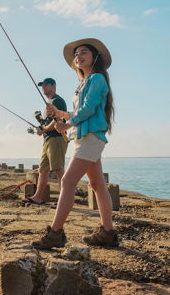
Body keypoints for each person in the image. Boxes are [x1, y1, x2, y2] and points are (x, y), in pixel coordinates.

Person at [32, 38, 119, 248]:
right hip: (86, 137)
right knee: (98, 185)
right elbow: (77, 113)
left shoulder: (97, 78)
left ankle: (55, 233)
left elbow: (87, 110)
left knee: (67, 182)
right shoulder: (82, 84)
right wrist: (59, 114)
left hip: (90, 138)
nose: (78, 57)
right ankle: (108, 232)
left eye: (83, 53)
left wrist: (67, 124)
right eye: (76, 55)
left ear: (94, 58)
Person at [23, 78, 67, 205]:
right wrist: (41, 129)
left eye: (46, 85)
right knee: (43, 170)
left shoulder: (57, 101)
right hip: (48, 139)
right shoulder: (49, 103)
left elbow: (59, 120)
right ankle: (37, 197)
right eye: (42, 85)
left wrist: (44, 130)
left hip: (57, 139)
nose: (43, 87)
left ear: (53, 85)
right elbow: (48, 123)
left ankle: (63, 201)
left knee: (58, 170)